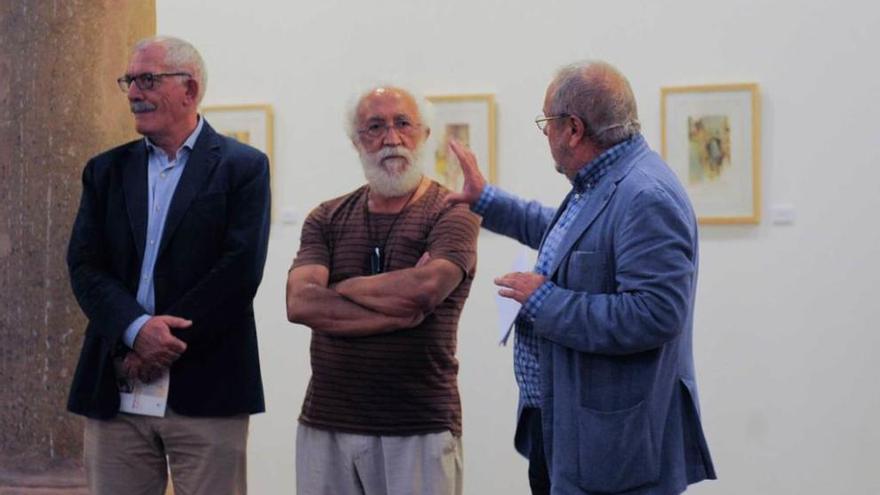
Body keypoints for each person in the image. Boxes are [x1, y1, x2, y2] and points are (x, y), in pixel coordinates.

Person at [446, 61, 716, 494]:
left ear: (572, 128)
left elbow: (656, 313)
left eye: (546, 124)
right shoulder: (606, 179)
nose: (546, 136)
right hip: (570, 431)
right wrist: (487, 201)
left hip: (615, 452)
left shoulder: (645, 194)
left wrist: (544, 302)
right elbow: (567, 236)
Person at [66, 36, 271, 495]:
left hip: (208, 386)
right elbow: (84, 265)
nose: (135, 93)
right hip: (116, 388)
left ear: (189, 89)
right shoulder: (105, 171)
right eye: (130, 81)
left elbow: (239, 271)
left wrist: (163, 341)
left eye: (148, 80)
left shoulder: (243, 167)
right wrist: (135, 329)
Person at [286, 86, 480, 495]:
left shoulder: (454, 212)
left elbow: (426, 289)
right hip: (327, 421)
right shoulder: (326, 217)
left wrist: (340, 288)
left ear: (425, 134)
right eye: (375, 127)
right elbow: (300, 302)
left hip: (418, 424)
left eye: (403, 124)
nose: (391, 138)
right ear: (357, 141)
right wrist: (396, 311)